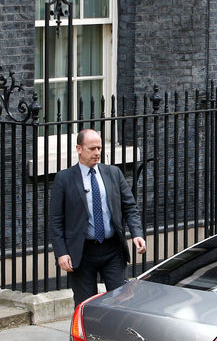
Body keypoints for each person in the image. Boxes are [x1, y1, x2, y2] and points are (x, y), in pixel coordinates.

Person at [50, 128, 146, 307]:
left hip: (112, 249)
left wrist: (137, 233)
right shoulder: (64, 179)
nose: (97, 153)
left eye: (100, 148)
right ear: (79, 148)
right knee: (86, 305)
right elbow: (56, 219)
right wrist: (61, 253)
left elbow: (130, 207)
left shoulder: (113, 173)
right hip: (82, 252)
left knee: (122, 300)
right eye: (92, 148)